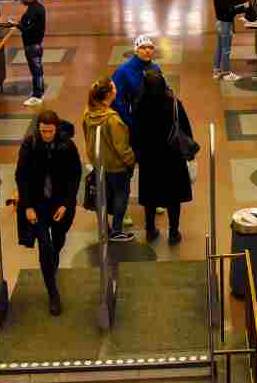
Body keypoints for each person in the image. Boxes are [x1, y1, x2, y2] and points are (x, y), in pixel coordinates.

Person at [14, 110, 82, 315]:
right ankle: (53, 293)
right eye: (43, 131)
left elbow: (75, 176)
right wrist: (27, 207)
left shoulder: (67, 146)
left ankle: (50, 270)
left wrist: (66, 204)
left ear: (56, 128)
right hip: (37, 204)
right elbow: (21, 176)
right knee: (45, 246)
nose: (46, 135)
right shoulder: (30, 145)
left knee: (57, 242)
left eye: (49, 131)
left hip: (60, 203)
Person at [133, 69, 194, 244]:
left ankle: (150, 229)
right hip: (172, 157)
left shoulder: (139, 105)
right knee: (173, 197)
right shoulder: (174, 103)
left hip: (149, 158)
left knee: (150, 195)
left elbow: (135, 132)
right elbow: (185, 129)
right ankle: (174, 232)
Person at [82, 77, 136, 242]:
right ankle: (117, 230)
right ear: (108, 94)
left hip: (99, 164)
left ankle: (104, 228)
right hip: (117, 167)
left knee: (102, 196)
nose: (116, 90)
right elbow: (122, 147)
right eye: (113, 88)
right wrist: (131, 161)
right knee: (121, 195)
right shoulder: (112, 120)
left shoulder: (88, 113)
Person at [111, 34, 162, 136]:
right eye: (143, 48)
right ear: (135, 51)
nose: (147, 50)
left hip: (153, 123)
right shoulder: (123, 72)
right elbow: (117, 101)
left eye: (150, 48)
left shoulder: (155, 68)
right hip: (132, 125)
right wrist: (130, 124)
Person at [212, 0, 251, 81]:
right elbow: (230, 11)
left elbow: (230, 2)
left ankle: (216, 70)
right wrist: (243, 8)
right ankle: (227, 73)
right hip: (225, 24)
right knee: (226, 49)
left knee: (219, 48)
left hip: (219, 23)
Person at [14, 0, 46, 107]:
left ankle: (37, 96)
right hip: (37, 44)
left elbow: (27, 29)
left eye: (21, 0)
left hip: (32, 46)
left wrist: (18, 25)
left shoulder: (32, 11)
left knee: (35, 71)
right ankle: (40, 93)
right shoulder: (39, 6)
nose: (21, 2)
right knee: (38, 70)